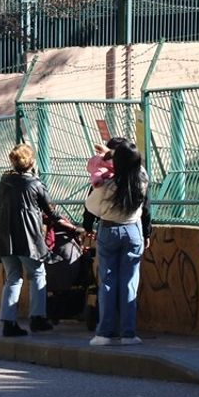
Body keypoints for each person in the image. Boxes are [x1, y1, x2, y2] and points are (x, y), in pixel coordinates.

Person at [0, 144, 62, 337]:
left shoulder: (5, 180)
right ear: (31, 162)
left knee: (13, 277)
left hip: (5, 236)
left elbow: (1, 203)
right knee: (38, 274)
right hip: (28, 237)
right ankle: (37, 318)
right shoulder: (35, 184)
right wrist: (70, 225)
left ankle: (7, 321)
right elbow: (50, 211)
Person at [84, 140, 149, 346]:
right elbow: (135, 164)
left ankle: (105, 332)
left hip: (110, 229)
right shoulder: (142, 180)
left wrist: (108, 156)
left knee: (108, 282)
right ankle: (129, 333)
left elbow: (91, 206)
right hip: (133, 230)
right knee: (130, 283)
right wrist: (116, 154)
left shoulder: (107, 185)